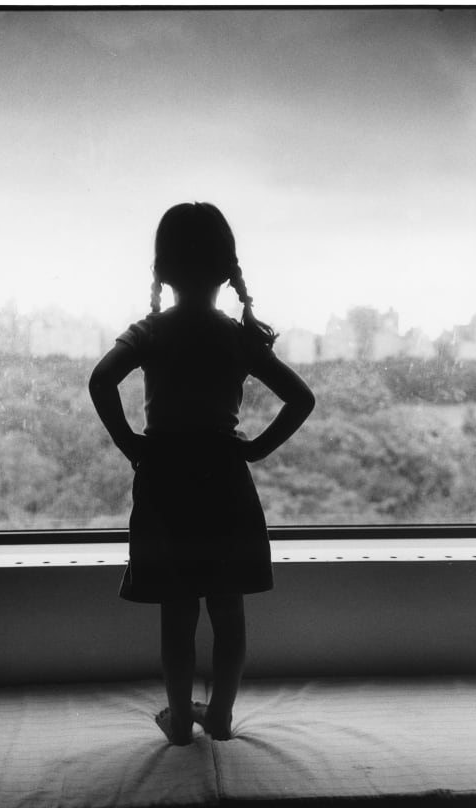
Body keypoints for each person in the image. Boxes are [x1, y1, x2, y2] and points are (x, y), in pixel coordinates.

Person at [89, 202, 315, 746]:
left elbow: (101, 382)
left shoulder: (149, 332)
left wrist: (131, 446)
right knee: (228, 607)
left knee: (177, 610)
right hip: (225, 480)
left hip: (165, 479)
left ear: (161, 271)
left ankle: (178, 723)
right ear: (226, 270)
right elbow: (301, 398)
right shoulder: (237, 337)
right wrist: (255, 448)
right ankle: (220, 716)